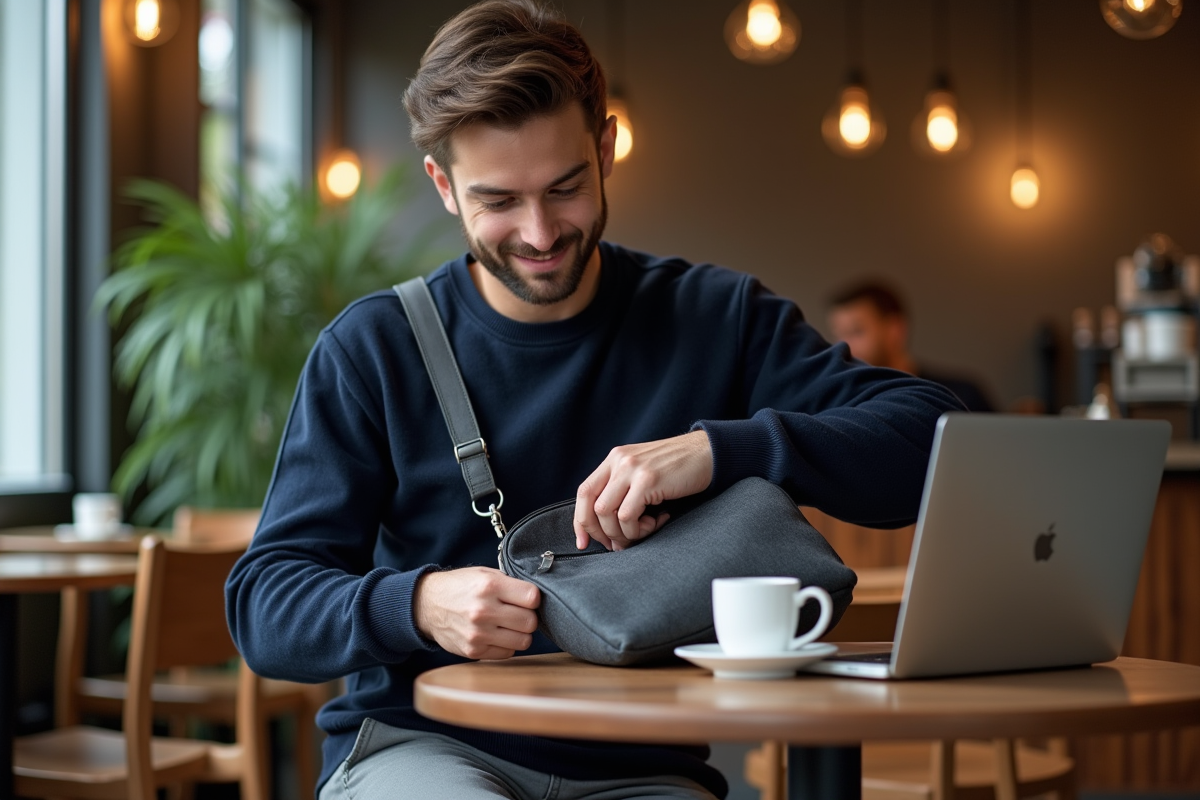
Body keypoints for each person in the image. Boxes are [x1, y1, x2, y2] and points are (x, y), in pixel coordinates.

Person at [225, 3, 964, 799]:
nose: (540, 233)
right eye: (498, 201)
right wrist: (418, 604)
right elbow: (265, 604)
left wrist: (723, 451)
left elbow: (935, 440)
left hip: (642, 770)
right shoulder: (372, 347)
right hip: (420, 747)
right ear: (443, 186)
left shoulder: (716, 316)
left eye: (566, 187)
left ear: (605, 149)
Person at [827, 281, 996, 413]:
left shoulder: (961, 395)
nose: (843, 346)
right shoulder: (840, 405)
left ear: (894, 330)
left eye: (856, 331)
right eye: (839, 334)